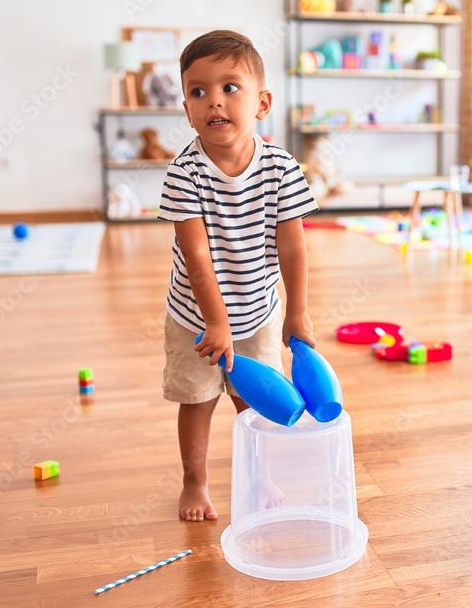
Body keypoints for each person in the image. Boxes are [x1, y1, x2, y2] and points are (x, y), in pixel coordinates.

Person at [157, 30, 318, 521]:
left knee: (256, 402)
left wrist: (299, 312)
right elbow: (198, 260)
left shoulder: (282, 169)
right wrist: (216, 322)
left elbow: (293, 244)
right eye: (199, 91)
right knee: (199, 398)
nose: (214, 102)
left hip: (259, 310)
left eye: (230, 88)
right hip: (195, 317)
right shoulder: (184, 175)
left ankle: (260, 474)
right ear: (187, 108)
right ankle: (195, 481)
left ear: (262, 102)